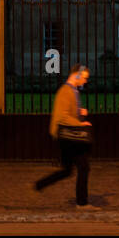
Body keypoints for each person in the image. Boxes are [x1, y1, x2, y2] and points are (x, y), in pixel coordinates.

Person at [34, 65, 98, 209]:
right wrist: (81, 124)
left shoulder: (72, 91)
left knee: (67, 170)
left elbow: (68, 112)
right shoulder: (66, 91)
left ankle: (39, 184)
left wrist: (80, 111)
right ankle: (82, 202)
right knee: (83, 166)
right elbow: (63, 117)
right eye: (85, 77)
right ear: (77, 75)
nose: (86, 81)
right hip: (67, 137)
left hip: (67, 136)